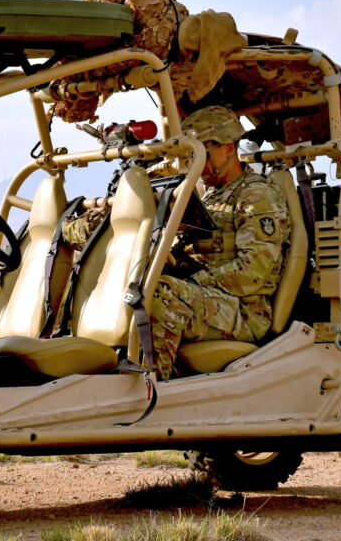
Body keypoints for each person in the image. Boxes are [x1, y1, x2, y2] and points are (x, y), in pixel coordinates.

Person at [63, 106, 290, 380]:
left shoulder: (256, 196)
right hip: (209, 297)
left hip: (244, 310)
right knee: (130, 283)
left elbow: (251, 274)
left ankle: (151, 385)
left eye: (202, 153)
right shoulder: (209, 194)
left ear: (229, 148)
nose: (197, 163)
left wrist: (189, 280)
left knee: (159, 293)